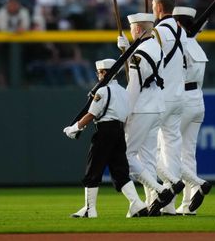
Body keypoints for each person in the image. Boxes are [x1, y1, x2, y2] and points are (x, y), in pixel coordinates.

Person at [62, 58, 149, 219]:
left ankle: (90, 209)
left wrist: (75, 127)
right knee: (120, 171)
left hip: (104, 132)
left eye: (102, 72)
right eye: (99, 72)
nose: (99, 75)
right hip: (119, 132)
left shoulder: (102, 91)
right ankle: (137, 203)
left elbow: (91, 114)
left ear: (109, 73)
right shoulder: (124, 92)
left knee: (93, 169)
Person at [117, 13, 174, 216]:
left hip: (141, 108)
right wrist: (126, 50)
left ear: (138, 29)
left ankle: (160, 191)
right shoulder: (155, 47)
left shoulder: (139, 54)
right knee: (148, 158)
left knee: (127, 156)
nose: (131, 31)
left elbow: (134, 87)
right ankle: (153, 204)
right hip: (157, 107)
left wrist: (124, 113)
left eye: (132, 29)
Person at [148, 0, 187, 214]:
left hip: (159, 99)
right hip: (178, 97)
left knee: (146, 149)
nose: (152, 8)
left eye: (153, 5)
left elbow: (148, 63)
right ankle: (169, 206)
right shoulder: (181, 30)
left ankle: (157, 196)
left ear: (159, 6)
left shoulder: (158, 32)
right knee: (171, 151)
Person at [172, 6, 213, 214]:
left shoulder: (178, 45)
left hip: (182, 99)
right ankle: (187, 205)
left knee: (166, 151)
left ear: (178, 23)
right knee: (188, 153)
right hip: (198, 99)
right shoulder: (196, 45)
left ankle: (173, 200)